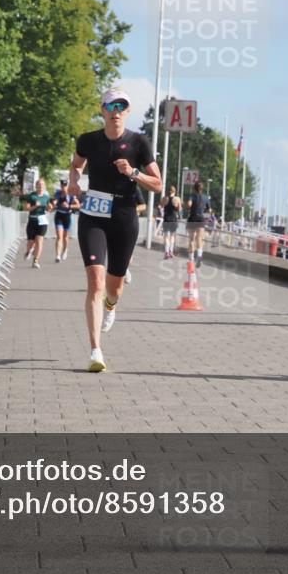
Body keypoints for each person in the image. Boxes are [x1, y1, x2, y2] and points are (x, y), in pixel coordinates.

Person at [68, 88, 162, 372]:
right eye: (112, 106)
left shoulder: (138, 142)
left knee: (114, 287)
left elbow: (157, 183)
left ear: (128, 112)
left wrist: (133, 172)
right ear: (103, 110)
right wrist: (73, 182)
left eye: (122, 106)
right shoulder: (88, 140)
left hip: (124, 215)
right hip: (93, 215)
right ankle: (95, 351)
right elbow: (76, 166)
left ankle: (111, 306)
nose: (117, 111)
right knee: (95, 281)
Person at [23, 178, 52, 268]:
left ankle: (35, 261)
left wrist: (50, 207)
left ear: (44, 186)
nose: (41, 186)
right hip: (32, 220)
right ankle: (29, 251)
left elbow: (48, 209)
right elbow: (26, 208)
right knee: (31, 242)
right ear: (36, 186)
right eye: (39, 185)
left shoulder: (47, 197)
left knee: (39, 241)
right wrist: (35, 206)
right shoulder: (32, 196)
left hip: (42, 221)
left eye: (42, 185)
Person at [52, 179, 79, 263]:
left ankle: (65, 249)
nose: (63, 187)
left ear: (67, 186)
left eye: (65, 186)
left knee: (65, 237)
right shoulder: (58, 193)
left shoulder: (71, 194)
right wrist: (53, 203)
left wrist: (69, 206)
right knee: (59, 236)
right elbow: (55, 201)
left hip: (67, 216)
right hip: (59, 215)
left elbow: (78, 205)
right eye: (62, 186)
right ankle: (58, 255)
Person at [184, 181, 210, 266]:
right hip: (201, 219)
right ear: (202, 189)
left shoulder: (192, 196)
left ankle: (191, 259)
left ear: (194, 188)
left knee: (191, 239)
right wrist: (204, 211)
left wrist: (186, 206)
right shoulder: (206, 197)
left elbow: (189, 204)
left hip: (192, 218)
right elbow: (209, 210)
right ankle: (199, 256)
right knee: (199, 239)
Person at [126, 187, 148, 284]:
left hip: (129, 222)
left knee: (128, 253)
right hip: (112, 222)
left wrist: (130, 210)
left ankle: (124, 269)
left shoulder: (134, 187)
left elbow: (143, 205)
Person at [160, 185, 182, 259]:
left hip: (166, 218)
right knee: (172, 236)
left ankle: (166, 252)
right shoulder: (177, 199)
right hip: (173, 219)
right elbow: (179, 209)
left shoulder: (164, 198)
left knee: (166, 236)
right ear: (174, 191)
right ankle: (171, 251)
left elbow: (161, 206)